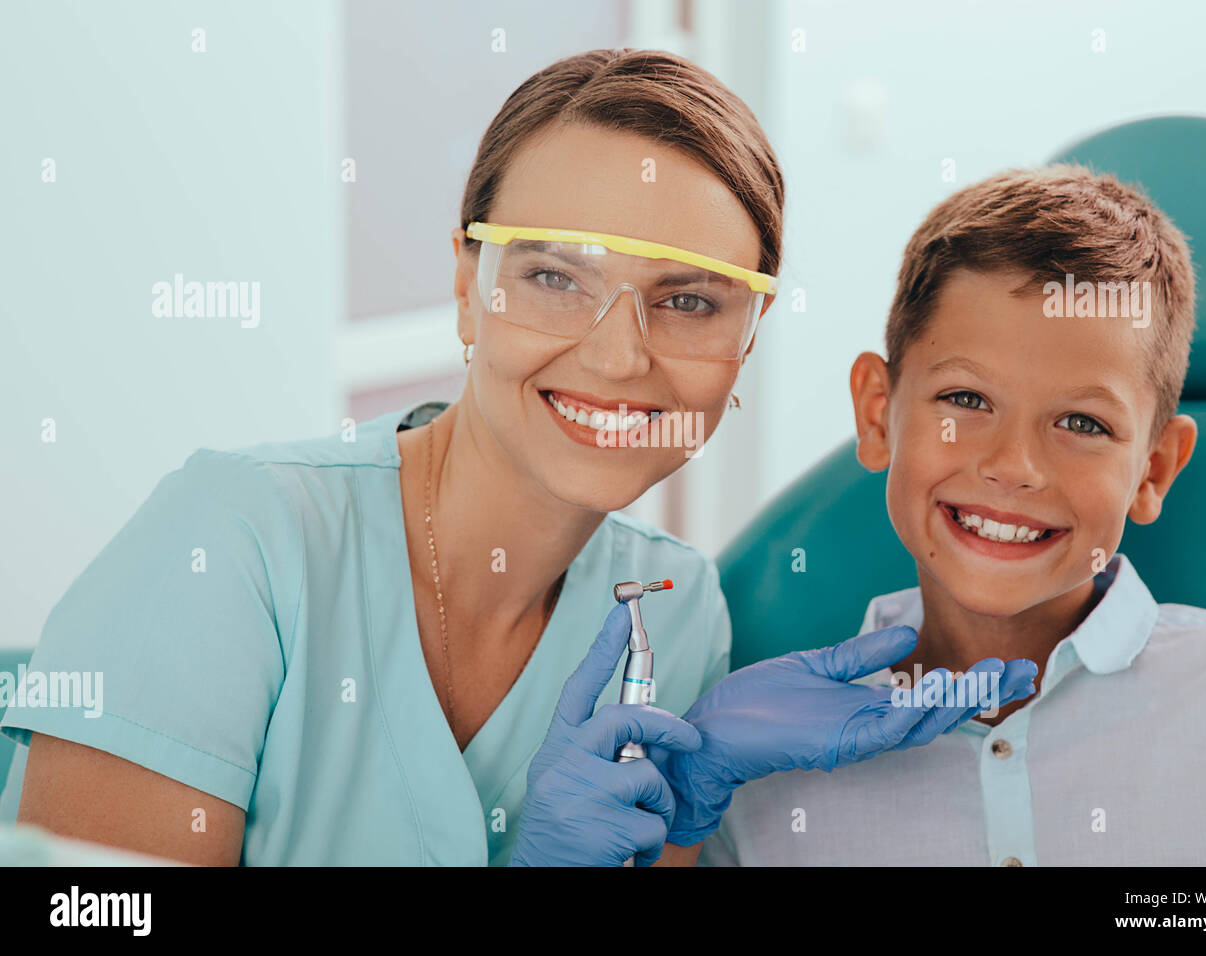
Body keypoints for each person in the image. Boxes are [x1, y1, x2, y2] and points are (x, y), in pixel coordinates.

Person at [0, 48, 1032, 867]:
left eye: (688, 301)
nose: (620, 354)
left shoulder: (675, 611)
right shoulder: (233, 541)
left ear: (745, 339)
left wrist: (695, 825)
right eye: (553, 278)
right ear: (465, 284)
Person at [699, 165, 1206, 866]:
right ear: (876, 414)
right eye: (967, 400)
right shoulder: (758, 768)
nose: (1015, 465)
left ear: (1155, 469)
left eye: (1081, 421)